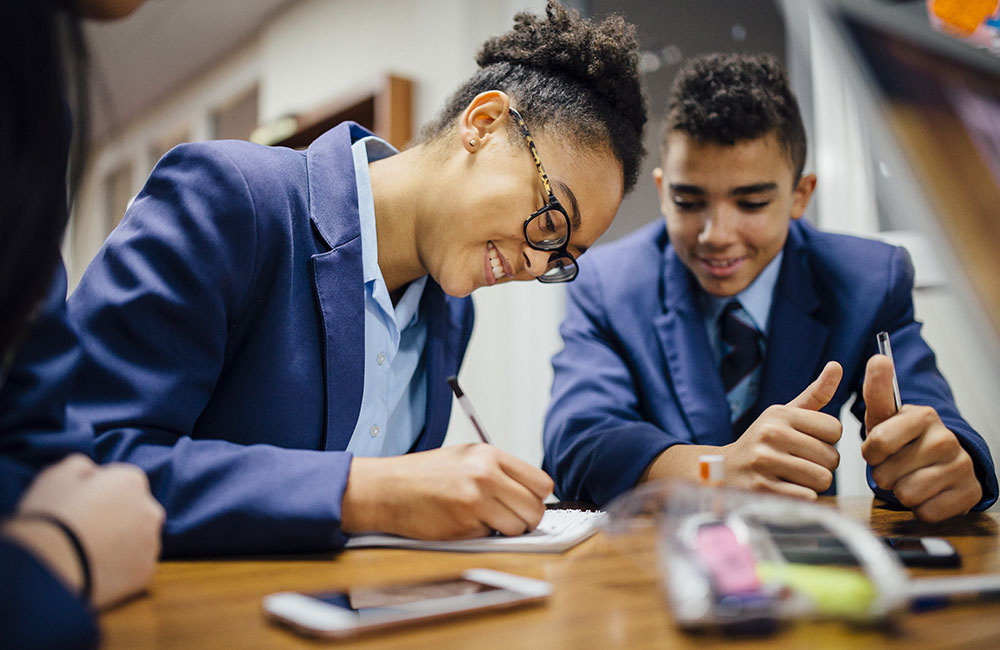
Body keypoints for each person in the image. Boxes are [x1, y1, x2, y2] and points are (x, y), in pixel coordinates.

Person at [65, 1, 647, 556]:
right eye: (551, 221)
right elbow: (84, 457)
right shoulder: (230, 198)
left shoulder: (451, 310)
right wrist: (367, 492)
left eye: (564, 257)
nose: (539, 264)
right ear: (485, 123)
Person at [542, 52, 997, 522]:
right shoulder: (606, 282)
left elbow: (930, 416)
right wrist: (714, 469)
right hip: (652, 559)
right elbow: (577, 442)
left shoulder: (868, 279)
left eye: (753, 202)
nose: (716, 234)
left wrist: (943, 462)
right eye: (688, 201)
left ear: (801, 195)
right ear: (662, 191)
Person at [1, 1, 164, 647]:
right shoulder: (232, 187)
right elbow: (114, 440)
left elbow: (39, 447)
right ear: (481, 125)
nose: (515, 265)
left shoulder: (34, 89)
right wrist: (56, 553)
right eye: (517, 224)